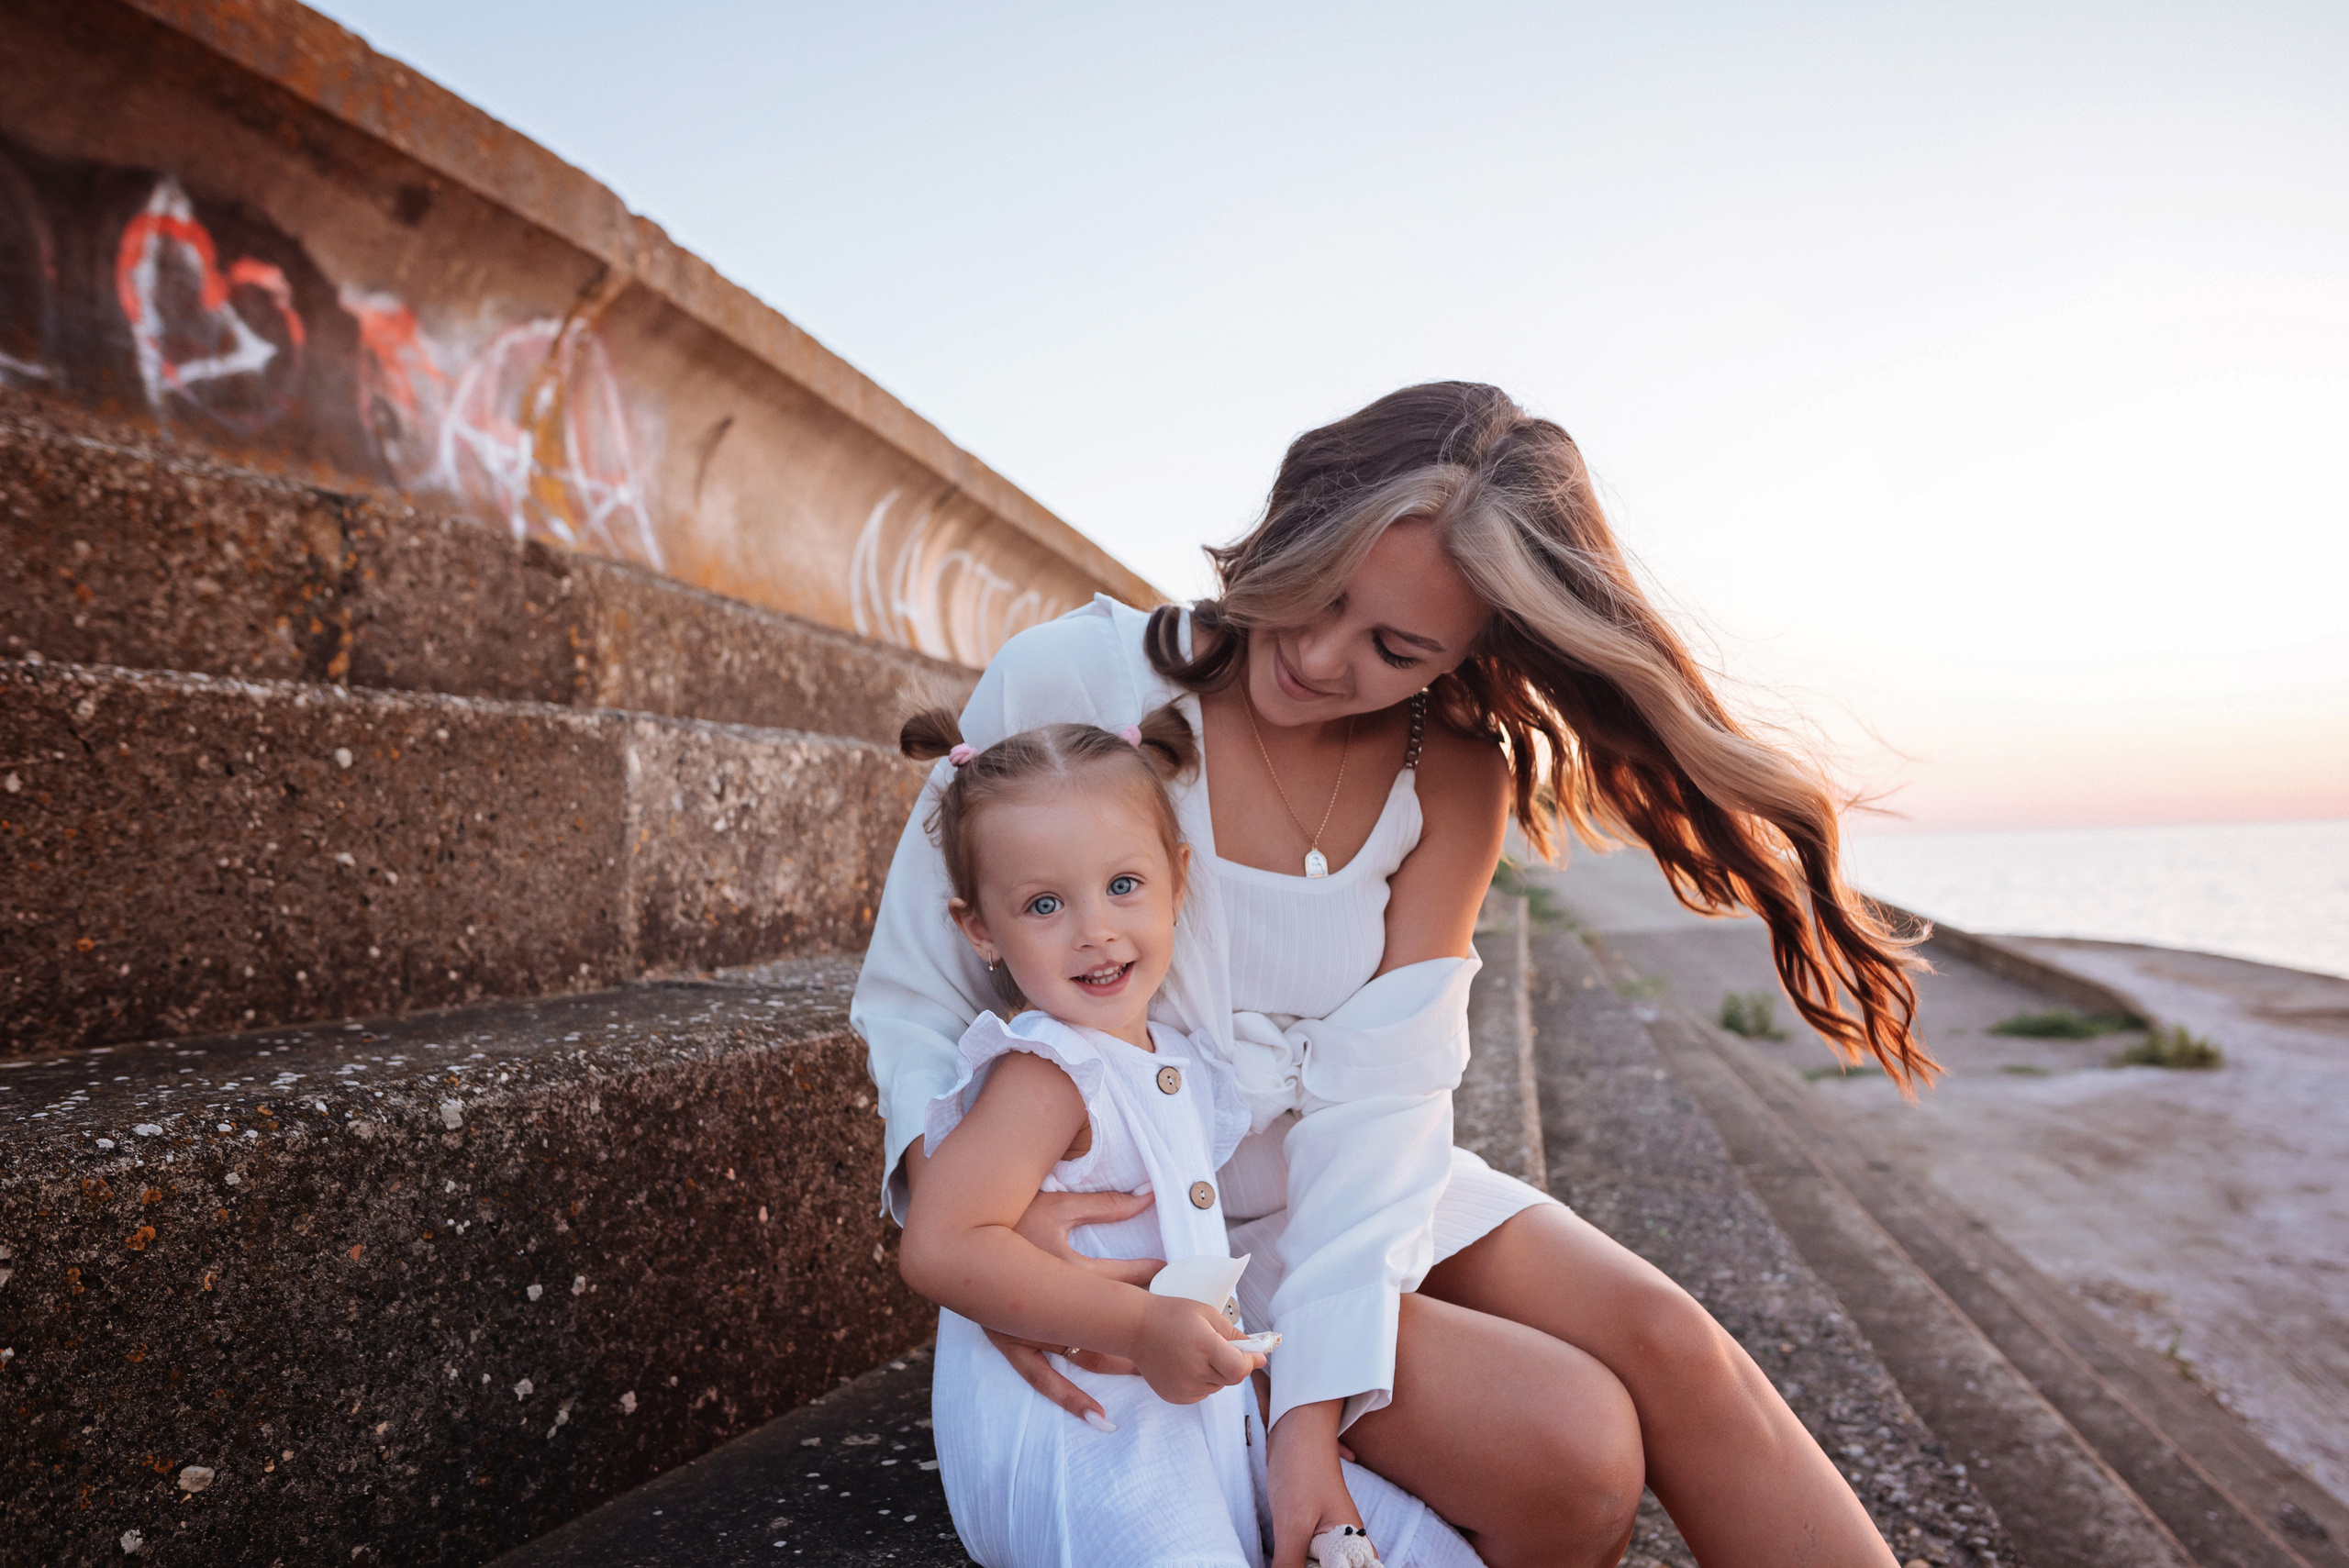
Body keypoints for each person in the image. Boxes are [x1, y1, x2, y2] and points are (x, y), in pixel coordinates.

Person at [855, 381, 1934, 1568]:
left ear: (1474, 649)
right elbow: (914, 991)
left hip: (1349, 1172)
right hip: (1162, 1214)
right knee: (1577, 1449)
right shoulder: (1078, 677)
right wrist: (993, 1245)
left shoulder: (1457, 776)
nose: (1318, 657)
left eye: (1394, 647)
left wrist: (1311, 1421)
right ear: (1286, 529)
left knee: (1677, 1343)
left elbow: (1387, 1097)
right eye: (1315, 594)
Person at [896, 706, 1482, 1568]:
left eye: (1122, 886)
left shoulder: (1181, 1057)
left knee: (1418, 1547)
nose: (1095, 928)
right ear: (980, 928)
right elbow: (940, 1245)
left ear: (1177, 878)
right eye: (1045, 903)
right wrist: (1141, 1326)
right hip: (1080, 1438)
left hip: (1186, 1410)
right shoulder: (1045, 1071)